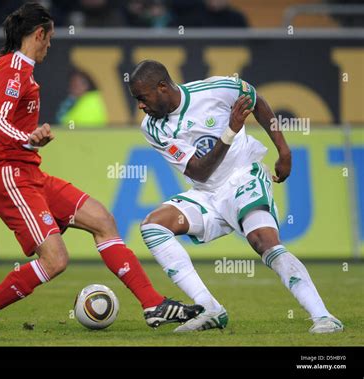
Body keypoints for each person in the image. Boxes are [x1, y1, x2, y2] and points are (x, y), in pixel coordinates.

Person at [0, 4, 202, 340]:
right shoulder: (13, 70)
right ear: (38, 33)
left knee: (102, 219)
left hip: (29, 174)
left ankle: (153, 305)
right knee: (55, 260)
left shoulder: (7, 69)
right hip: (11, 178)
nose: (50, 45)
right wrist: (26, 137)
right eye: (50, 37)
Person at [128, 60, 344, 334]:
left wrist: (284, 151)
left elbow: (257, 101)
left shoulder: (216, 89)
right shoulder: (153, 128)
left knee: (263, 241)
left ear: (161, 87)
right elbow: (199, 171)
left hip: (243, 177)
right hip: (206, 193)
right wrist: (229, 131)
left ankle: (324, 316)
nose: (141, 106)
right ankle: (210, 309)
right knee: (153, 226)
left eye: (142, 97)